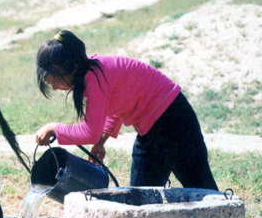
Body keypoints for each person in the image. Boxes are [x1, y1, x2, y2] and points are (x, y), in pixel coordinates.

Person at [35, 29, 219, 191]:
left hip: (174, 121)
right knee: (139, 200)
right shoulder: (92, 74)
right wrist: (101, 139)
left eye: (56, 81)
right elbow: (118, 104)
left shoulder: (95, 76)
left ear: (73, 67)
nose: (54, 87)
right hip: (150, 130)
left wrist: (54, 128)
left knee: (204, 191)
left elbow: (89, 131)